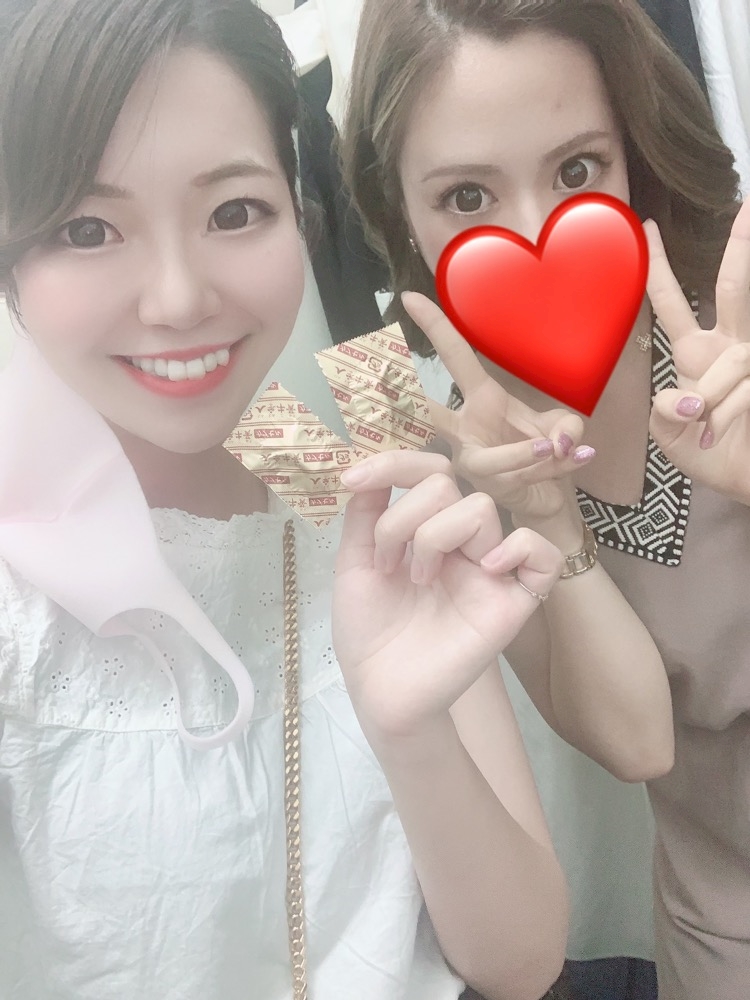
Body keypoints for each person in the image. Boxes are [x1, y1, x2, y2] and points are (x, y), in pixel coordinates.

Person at [0, 2, 573, 999]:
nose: (179, 299)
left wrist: (412, 733)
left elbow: (522, 961)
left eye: (235, 212)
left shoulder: (357, 485)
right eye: (88, 229)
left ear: (301, 214)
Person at [341, 2, 750, 999]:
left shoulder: (733, 324)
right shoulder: (451, 473)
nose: (534, 233)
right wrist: (549, 517)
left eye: (576, 171)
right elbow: (639, 742)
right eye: (467, 194)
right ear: (401, 212)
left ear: (632, 151)